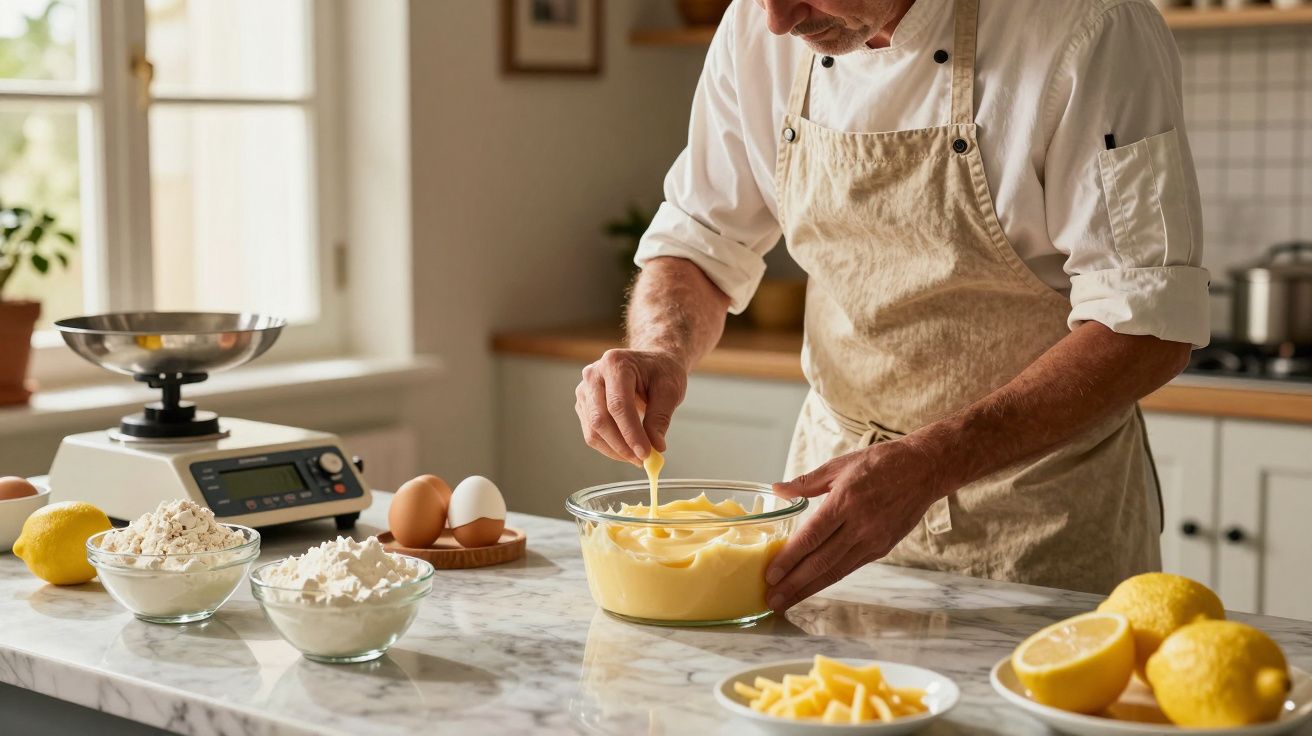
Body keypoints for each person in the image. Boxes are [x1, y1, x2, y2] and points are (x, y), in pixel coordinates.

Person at [574, 0, 1208, 610]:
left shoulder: (1092, 27)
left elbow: (1146, 323)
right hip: (827, 514)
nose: (776, 18)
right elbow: (700, 242)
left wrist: (932, 462)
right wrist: (659, 347)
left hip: (1038, 519)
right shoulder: (756, 27)